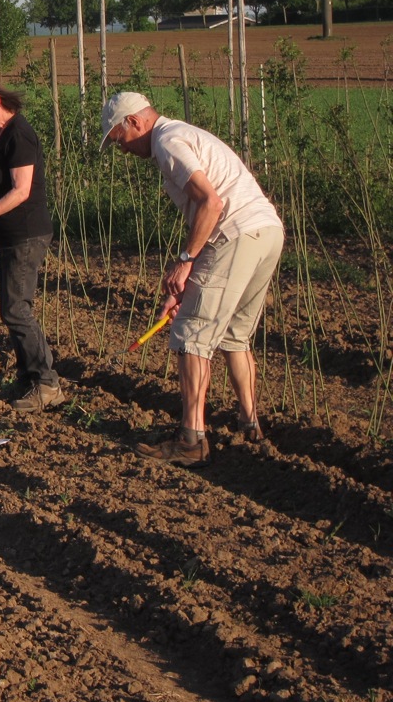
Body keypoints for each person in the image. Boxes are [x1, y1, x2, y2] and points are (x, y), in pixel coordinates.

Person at [101, 91, 284, 466]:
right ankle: (251, 426)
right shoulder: (183, 133)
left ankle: (191, 439)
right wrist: (191, 285)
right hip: (266, 231)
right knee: (235, 336)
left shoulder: (167, 142)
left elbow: (211, 203)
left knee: (190, 336)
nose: (122, 151)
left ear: (134, 122)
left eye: (119, 140)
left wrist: (185, 262)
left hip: (235, 233)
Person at [0, 75, 64, 413]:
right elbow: (3, 179)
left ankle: (46, 383)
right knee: (12, 309)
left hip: (26, 235)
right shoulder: (2, 134)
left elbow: (21, 190)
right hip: (11, 237)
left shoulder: (20, 134)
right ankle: (27, 377)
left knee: (16, 310)